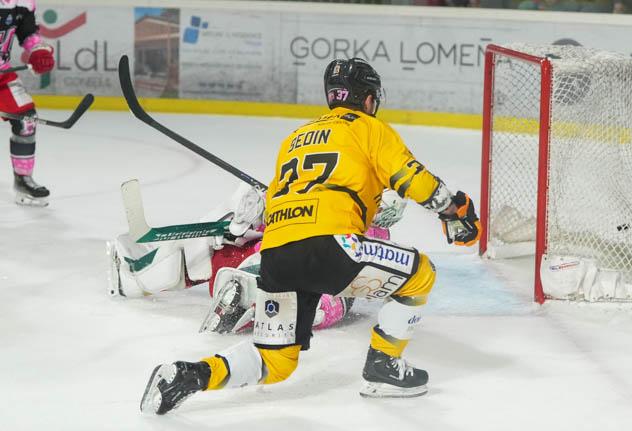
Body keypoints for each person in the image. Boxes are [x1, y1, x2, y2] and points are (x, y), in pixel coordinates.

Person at [139, 57, 481, 415]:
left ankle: (188, 375)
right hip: (331, 245)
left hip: (276, 254)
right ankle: (383, 368)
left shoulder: (295, 137)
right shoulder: (368, 128)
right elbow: (414, 180)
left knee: (275, 362)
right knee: (421, 273)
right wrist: (453, 208)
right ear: (368, 99)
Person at [108, 184, 407, 333]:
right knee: (203, 251)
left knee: (318, 301)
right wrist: (249, 218)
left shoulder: (371, 233)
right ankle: (135, 279)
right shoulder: (332, 202)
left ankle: (245, 302)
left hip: (300, 282)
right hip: (261, 263)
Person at [1, 0, 55, 206]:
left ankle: (23, 180)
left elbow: (28, 33)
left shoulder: (21, 3)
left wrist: (39, 51)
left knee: (26, 121)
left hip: (1, 74)